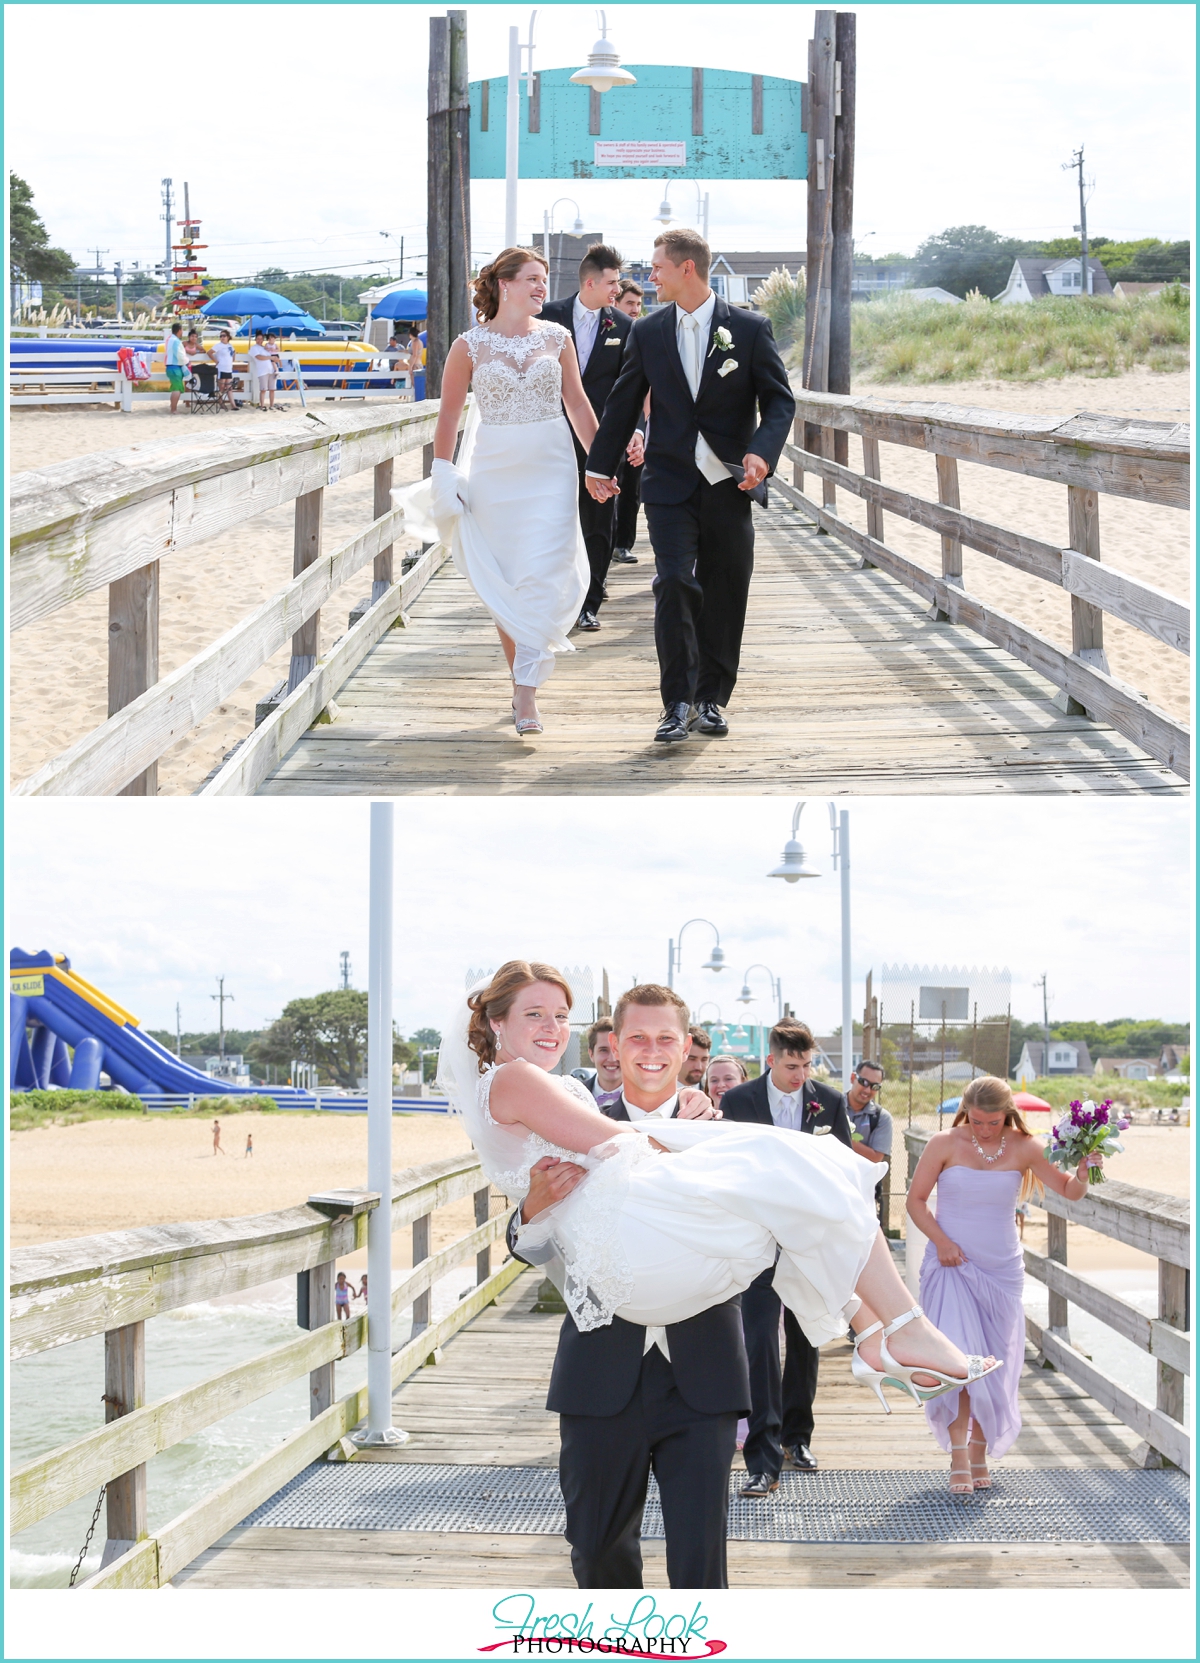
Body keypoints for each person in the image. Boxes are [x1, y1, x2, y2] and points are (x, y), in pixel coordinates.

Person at [441, 962, 1000, 1590]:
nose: (550, 1028)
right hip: (605, 1358)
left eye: (558, 1015)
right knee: (596, 1550)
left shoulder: (701, 1113)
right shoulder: (541, 1090)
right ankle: (887, 1329)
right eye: (533, 1015)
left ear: (687, 1050)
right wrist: (544, 1205)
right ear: (613, 1047)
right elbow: (583, 1184)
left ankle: (883, 1329)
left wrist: (708, 1141)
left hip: (701, 1368)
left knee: (702, 1563)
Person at [584, 228, 795, 744]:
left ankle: (711, 699)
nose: (648, 276)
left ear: (686, 269)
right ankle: (676, 702)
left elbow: (780, 401)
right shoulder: (648, 331)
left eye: (656, 267)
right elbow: (623, 402)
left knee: (726, 588)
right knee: (674, 583)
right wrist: (599, 466)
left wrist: (761, 453)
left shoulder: (748, 329)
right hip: (669, 483)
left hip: (729, 484)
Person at [409, 248, 597, 738]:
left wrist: (601, 461)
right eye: (533, 279)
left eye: (545, 280)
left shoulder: (558, 338)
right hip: (494, 472)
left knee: (543, 573)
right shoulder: (467, 346)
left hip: (552, 469)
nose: (542, 287)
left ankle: (527, 692)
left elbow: (576, 404)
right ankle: (521, 683)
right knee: (508, 582)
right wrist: (444, 473)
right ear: (505, 284)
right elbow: (448, 416)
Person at [907, 1075, 1100, 1494]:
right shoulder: (943, 1143)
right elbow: (915, 1201)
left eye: (993, 1122)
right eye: (977, 1121)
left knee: (995, 1364)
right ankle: (958, 1454)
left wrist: (1083, 1171)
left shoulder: (1026, 1147)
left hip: (1001, 1269)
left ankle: (979, 1449)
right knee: (958, 1362)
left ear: (1007, 1114)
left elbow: (1070, 1191)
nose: (984, 1130)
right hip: (950, 1263)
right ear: (967, 1112)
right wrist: (942, 1242)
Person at [719, 1022, 856, 1492]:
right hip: (756, 1241)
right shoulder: (737, 1102)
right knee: (758, 1344)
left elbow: (842, 1170)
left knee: (803, 1341)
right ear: (771, 1060)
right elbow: (729, 1169)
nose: (801, 1075)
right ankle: (762, 1457)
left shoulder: (830, 1103)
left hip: (808, 1243)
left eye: (807, 1065)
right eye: (792, 1066)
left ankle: (798, 1437)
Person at [540, 245, 640, 631]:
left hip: (602, 438)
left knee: (599, 521)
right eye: (612, 282)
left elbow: (633, 388)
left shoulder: (625, 327)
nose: (617, 290)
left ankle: (589, 602)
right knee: (554, 518)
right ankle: (554, 598)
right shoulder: (546, 317)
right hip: (549, 437)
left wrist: (635, 429)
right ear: (590, 282)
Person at [611, 279, 646, 565]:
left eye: (638, 304)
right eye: (629, 303)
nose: (635, 309)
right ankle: (604, 546)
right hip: (605, 424)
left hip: (638, 423)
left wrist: (640, 430)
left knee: (632, 489)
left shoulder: (645, 333)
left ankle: (623, 544)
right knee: (608, 486)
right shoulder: (609, 333)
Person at [845, 1060, 892, 1216]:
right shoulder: (832, 1105)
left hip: (862, 1191)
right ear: (853, 1078)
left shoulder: (882, 1118)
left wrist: (842, 1137)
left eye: (874, 1086)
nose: (867, 1089)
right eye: (863, 1082)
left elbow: (875, 1158)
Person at [571, 1017, 624, 1109]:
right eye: (603, 1050)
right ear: (591, 1054)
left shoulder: (646, 1095)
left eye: (617, 1049)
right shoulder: (573, 1096)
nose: (612, 1059)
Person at [248, 330, 277, 410]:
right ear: (255, 339)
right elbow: (259, 357)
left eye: (261, 339)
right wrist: (270, 357)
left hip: (271, 369)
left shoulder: (265, 348)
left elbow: (274, 356)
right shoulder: (254, 348)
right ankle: (262, 405)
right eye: (258, 339)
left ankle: (271, 405)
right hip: (262, 371)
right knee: (263, 389)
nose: (259, 340)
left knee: (272, 389)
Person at [164, 321, 187, 414]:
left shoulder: (169, 339)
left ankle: (172, 406)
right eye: (182, 330)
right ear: (179, 330)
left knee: (176, 388)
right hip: (175, 366)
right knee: (177, 389)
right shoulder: (175, 341)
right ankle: (173, 409)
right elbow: (180, 355)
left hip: (171, 366)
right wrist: (186, 361)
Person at [214, 329, 237, 411]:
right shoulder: (218, 345)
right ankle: (221, 402)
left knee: (229, 387)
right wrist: (216, 361)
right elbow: (209, 352)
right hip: (221, 368)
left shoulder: (230, 346)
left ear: (228, 337)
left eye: (224, 336)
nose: (222, 337)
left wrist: (233, 357)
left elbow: (233, 354)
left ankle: (233, 405)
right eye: (221, 336)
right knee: (221, 387)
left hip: (229, 369)